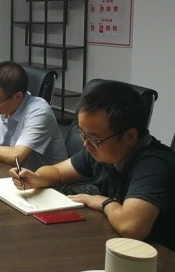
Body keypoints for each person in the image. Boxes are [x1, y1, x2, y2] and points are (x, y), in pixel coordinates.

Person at [10, 81, 175, 249]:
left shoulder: (154, 165)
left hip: (159, 257)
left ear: (130, 136)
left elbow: (130, 227)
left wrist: (104, 203)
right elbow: (58, 172)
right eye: (82, 134)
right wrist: (37, 178)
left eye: (94, 138)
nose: (86, 144)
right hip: (119, 245)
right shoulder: (105, 151)